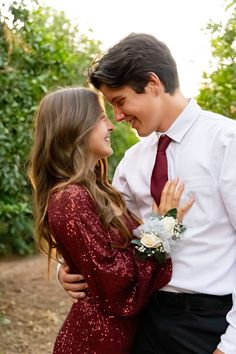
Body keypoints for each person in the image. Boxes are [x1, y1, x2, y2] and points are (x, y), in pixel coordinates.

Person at [58, 33, 236, 354]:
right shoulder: (133, 160)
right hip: (143, 320)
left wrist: (231, 344)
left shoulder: (226, 142)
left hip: (208, 325)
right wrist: (69, 267)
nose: (118, 117)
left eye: (120, 101)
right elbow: (109, 235)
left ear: (153, 83)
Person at [28, 86, 192, 354]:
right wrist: (163, 227)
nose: (112, 126)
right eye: (102, 117)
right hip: (93, 344)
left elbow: (97, 256)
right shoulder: (70, 197)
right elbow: (116, 282)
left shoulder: (98, 190)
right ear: (76, 124)